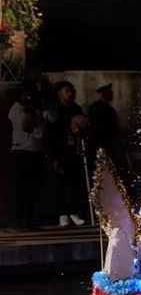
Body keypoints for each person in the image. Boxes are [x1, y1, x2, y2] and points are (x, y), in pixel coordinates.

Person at [46, 81, 88, 226]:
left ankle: (73, 212)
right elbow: (51, 133)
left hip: (74, 149)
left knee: (74, 182)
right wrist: (53, 156)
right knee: (61, 183)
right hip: (60, 149)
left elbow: (83, 125)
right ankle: (63, 213)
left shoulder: (75, 108)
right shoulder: (54, 110)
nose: (70, 94)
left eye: (71, 91)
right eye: (66, 91)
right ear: (59, 93)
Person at [6, 87, 46, 230]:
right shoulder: (16, 109)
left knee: (32, 189)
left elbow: (41, 130)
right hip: (20, 152)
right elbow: (25, 126)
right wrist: (28, 110)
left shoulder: (37, 110)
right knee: (19, 189)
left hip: (35, 151)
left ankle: (30, 221)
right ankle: (17, 221)